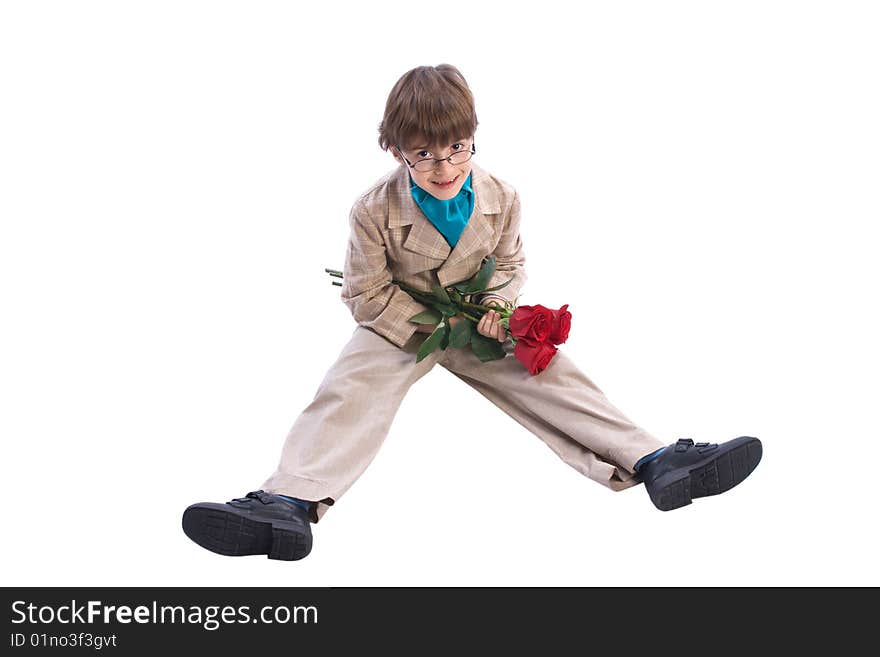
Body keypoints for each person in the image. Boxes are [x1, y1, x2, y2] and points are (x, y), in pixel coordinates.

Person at [181, 64, 762, 561]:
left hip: (475, 318)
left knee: (552, 374)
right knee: (349, 388)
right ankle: (288, 503)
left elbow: (509, 264)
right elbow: (363, 293)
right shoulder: (371, 211)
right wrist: (430, 325)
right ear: (395, 151)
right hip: (403, 323)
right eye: (425, 154)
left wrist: (495, 307)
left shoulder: (502, 196)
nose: (444, 166)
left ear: (473, 137)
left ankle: (656, 461)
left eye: (457, 148)